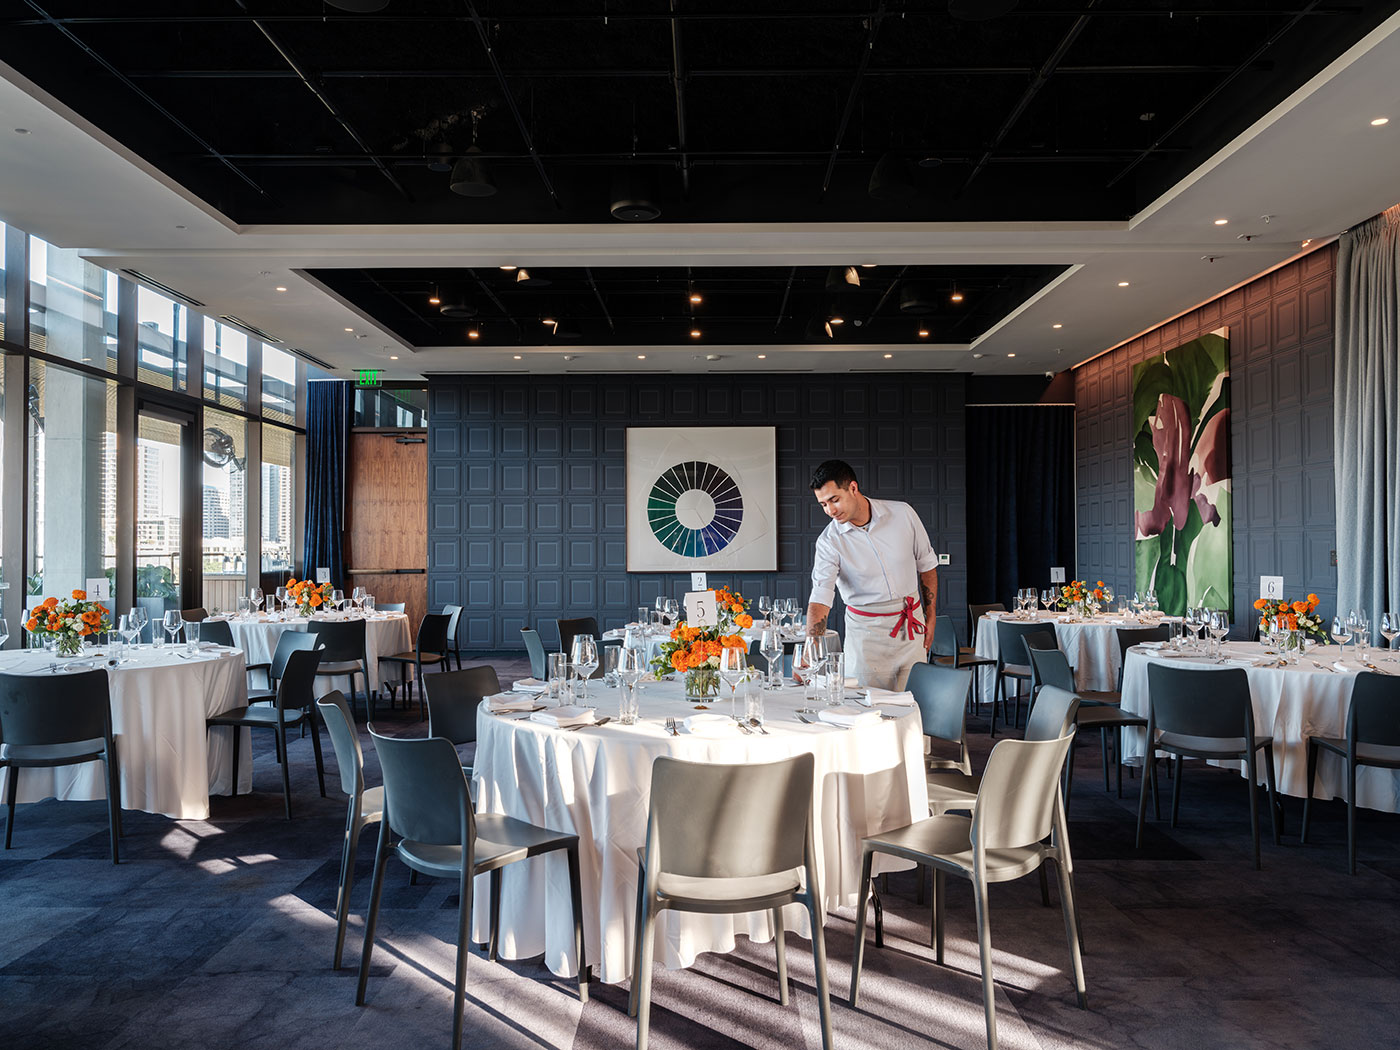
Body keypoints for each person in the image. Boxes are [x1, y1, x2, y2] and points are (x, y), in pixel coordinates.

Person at [806, 460, 938, 690]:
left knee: (913, 702)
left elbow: (926, 566)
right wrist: (810, 648)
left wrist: (931, 615)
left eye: (834, 500)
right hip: (865, 636)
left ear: (853, 488)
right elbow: (821, 597)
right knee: (866, 709)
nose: (830, 511)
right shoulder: (828, 542)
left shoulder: (903, 514)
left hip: (910, 626)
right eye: (823, 504)